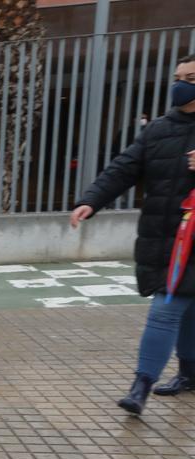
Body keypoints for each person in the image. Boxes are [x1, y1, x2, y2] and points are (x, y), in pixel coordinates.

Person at [71, 54, 195, 415]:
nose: (181, 83)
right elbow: (124, 167)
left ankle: (145, 384)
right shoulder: (159, 129)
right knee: (177, 307)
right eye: (178, 76)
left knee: (173, 309)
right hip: (167, 238)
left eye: (190, 77)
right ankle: (173, 377)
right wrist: (91, 201)